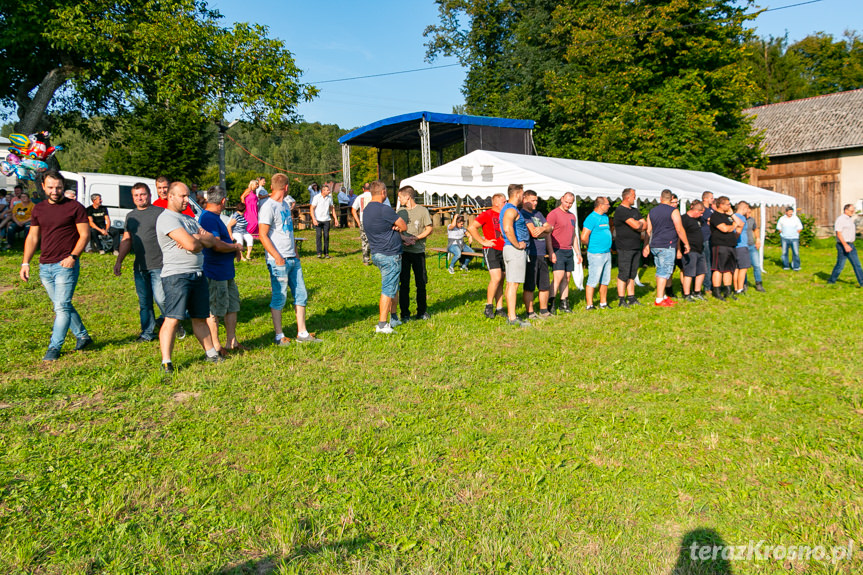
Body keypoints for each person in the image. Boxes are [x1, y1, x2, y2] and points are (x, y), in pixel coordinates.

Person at [19, 171, 92, 361]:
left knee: (61, 307)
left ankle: (54, 348)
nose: (55, 191)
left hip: (65, 264)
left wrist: (73, 257)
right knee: (62, 305)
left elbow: (84, 235)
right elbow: (33, 237)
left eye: (58, 187)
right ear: (43, 187)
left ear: (63, 186)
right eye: (50, 187)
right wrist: (25, 262)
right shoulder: (39, 209)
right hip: (45, 266)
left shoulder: (75, 207)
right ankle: (83, 336)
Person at [156, 182, 225, 373]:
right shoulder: (167, 219)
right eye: (183, 196)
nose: (188, 200)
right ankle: (166, 362)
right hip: (177, 276)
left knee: (200, 318)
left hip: (197, 273)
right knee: (173, 319)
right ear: (170, 197)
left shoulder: (189, 220)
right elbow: (193, 245)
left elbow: (212, 240)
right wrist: (195, 239)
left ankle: (211, 354)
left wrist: (195, 237)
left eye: (188, 196)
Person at [258, 174, 321, 345]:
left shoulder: (285, 205)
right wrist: (277, 257)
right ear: (285, 187)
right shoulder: (268, 207)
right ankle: (279, 335)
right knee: (279, 297)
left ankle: (302, 333)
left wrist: (295, 251)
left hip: (293, 258)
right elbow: (262, 235)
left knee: (301, 294)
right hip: (278, 260)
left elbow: (288, 231)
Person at [113, 183, 179, 342]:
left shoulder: (160, 212)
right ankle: (147, 333)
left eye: (142, 194)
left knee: (161, 298)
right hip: (140, 267)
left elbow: (174, 234)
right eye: (136, 195)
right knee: (144, 303)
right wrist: (119, 261)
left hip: (160, 265)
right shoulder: (131, 216)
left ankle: (174, 322)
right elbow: (127, 239)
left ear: (149, 195)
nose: (139, 198)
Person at [200, 185, 247, 355]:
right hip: (215, 272)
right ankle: (216, 345)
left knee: (232, 306)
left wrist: (232, 248)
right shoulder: (209, 218)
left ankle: (231, 341)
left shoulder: (214, 217)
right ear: (223, 201)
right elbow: (216, 245)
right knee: (215, 310)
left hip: (226, 272)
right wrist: (235, 246)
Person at [364, 180, 407, 333]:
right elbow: (403, 226)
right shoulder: (385, 209)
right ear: (383, 192)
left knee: (393, 285)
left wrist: (393, 228)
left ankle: (394, 317)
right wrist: (397, 227)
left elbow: (382, 229)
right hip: (389, 255)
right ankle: (382, 324)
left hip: (377, 252)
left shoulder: (367, 209)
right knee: (388, 288)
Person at [643, 189, 690, 307]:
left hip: (655, 245)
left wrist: (646, 246)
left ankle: (663, 296)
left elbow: (648, 230)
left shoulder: (652, 211)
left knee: (661, 270)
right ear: (671, 199)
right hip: (667, 245)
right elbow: (679, 228)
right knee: (664, 272)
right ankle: (659, 299)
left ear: (660, 198)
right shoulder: (673, 211)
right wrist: (686, 243)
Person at [396, 185, 433, 321]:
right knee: (404, 284)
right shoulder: (400, 211)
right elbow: (395, 229)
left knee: (421, 283)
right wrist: (404, 238)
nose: (399, 199)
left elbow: (429, 228)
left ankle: (421, 312)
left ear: (407, 196)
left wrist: (416, 238)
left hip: (418, 252)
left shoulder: (422, 211)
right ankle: (404, 313)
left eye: (400, 196)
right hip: (404, 252)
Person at [467, 193, 506, 319]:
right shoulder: (487, 214)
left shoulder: (504, 215)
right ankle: (488, 306)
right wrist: (483, 241)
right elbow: (472, 227)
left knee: (501, 280)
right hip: (491, 249)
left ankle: (499, 308)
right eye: (504, 202)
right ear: (496, 203)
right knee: (496, 278)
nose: (506, 204)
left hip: (504, 249)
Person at [499, 184, 530, 326]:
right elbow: (506, 228)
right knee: (513, 284)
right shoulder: (511, 209)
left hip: (510, 248)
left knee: (511, 283)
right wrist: (517, 244)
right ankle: (512, 318)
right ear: (517, 194)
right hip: (514, 250)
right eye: (522, 194)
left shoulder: (507, 209)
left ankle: (511, 315)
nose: (523, 197)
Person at [546, 192, 582, 313]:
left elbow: (574, 236)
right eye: (566, 202)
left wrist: (578, 253)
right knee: (558, 277)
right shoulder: (553, 214)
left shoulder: (572, 216)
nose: (568, 205)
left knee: (567, 277)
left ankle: (564, 302)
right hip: (558, 249)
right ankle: (550, 303)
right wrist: (551, 252)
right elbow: (547, 235)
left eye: (570, 203)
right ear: (562, 199)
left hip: (568, 250)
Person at [521, 190, 553, 318]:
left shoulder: (538, 214)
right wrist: (545, 230)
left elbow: (549, 228)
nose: (535, 203)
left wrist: (544, 229)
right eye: (533, 200)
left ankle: (544, 311)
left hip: (542, 254)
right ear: (525, 200)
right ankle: (530, 312)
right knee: (530, 285)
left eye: (536, 200)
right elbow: (534, 233)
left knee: (544, 284)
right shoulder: (523, 214)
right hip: (531, 254)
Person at [612, 187, 645, 307]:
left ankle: (631, 297)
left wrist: (639, 224)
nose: (635, 198)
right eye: (634, 196)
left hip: (636, 246)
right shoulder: (621, 211)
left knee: (632, 273)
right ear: (627, 197)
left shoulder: (635, 210)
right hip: (625, 247)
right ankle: (621, 299)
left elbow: (644, 224)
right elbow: (637, 225)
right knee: (623, 273)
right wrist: (639, 224)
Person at [581, 196, 613, 310]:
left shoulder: (604, 217)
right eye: (607, 204)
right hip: (596, 254)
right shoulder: (591, 218)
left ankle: (603, 303)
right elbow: (584, 237)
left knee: (605, 279)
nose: (609, 206)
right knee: (593, 279)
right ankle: (589, 305)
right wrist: (591, 246)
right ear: (600, 205)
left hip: (606, 253)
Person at [708, 196, 742, 301]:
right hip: (720, 245)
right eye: (727, 204)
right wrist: (733, 226)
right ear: (721, 205)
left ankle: (728, 291)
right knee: (718, 269)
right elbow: (724, 229)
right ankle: (716, 291)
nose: (729, 206)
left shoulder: (728, 216)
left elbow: (740, 224)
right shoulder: (715, 216)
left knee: (728, 269)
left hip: (730, 245)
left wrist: (732, 215)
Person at [827, 204, 863, 286]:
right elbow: (838, 233)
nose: (853, 212)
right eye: (851, 211)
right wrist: (845, 245)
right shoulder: (841, 219)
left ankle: (831, 281)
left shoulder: (849, 219)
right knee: (846, 265)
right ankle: (832, 281)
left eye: (853, 211)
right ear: (846, 210)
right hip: (844, 245)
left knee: (851, 264)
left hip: (850, 244)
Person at [680, 200, 707, 301]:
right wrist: (680, 249)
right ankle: (686, 294)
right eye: (701, 213)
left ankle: (697, 292)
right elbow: (679, 234)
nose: (702, 215)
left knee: (702, 271)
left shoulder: (699, 219)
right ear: (695, 211)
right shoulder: (684, 219)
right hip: (689, 250)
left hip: (700, 249)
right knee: (689, 272)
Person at [310, 183, 340, 258]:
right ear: (322, 191)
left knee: (326, 236)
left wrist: (336, 219)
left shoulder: (329, 198)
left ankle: (326, 253)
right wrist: (313, 219)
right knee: (319, 235)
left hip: (326, 219)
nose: (329, 191)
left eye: (329, 190)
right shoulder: (316, 197)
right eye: (327, 190)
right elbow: (312, 208)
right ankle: (319, 253)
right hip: (318, 219)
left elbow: (332, 208)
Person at [732, 201, 751, 296]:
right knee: (743, 268)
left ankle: (735, 288)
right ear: (744, 208)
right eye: (747, 209)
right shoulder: (742, 218)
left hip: (734, 246)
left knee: (736, 268)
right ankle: (740, 288)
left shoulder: (733, 216)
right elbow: (738, 230)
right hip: (741, 245)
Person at [351, 182, 373, 265]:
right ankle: (376, 258)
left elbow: (353, 210)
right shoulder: (374, 196)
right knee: (375, 239)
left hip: (363, 221)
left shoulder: (359, 197)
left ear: (363, 189)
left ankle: (366, 259)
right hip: (374, 221)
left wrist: (358, 222)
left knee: (365, 241)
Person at [776, 206, 802, 271]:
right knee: (784, 252)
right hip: (785, 238)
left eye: (792, 212)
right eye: (789, 212)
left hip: (794, 238)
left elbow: (800, 227)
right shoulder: (782, 219)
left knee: (796, 252)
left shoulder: (795, 218)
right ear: (786, 212)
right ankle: (786, 265)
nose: (791, 213)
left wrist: (796, 233)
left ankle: (796, 266)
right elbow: (779, 227)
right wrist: (782, 234)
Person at [745, 210, 765, 292]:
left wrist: (757, 239)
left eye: (750, 212)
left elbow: (755, 229)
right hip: (742, 246)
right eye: (748, 212)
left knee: (756, 265)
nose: (749, 214)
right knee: (743, 267)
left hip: (751, 245)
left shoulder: (751, 220)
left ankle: (758, 283)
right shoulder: (739, 219)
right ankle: (743, 283)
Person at [699, 191, 715, 289]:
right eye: (711, 198)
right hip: (705, 238)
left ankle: (711, 283)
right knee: (707, 262)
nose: (712, 200)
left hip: (711, 237)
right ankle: (707, 286)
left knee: (710, 261)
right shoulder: (703, 210)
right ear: (705, 198)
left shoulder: (711, 210)